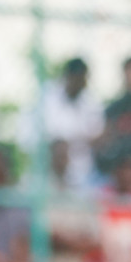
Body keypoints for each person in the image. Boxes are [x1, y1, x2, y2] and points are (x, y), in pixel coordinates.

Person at [34, 57, 102, 189]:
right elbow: (44, 135)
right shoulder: (47, 97)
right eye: (76, 78)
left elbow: (97, 136)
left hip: (82, 176)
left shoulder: (91, 102)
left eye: (83, 79)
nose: (80, 83)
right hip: (47, 174)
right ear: (68, 77)